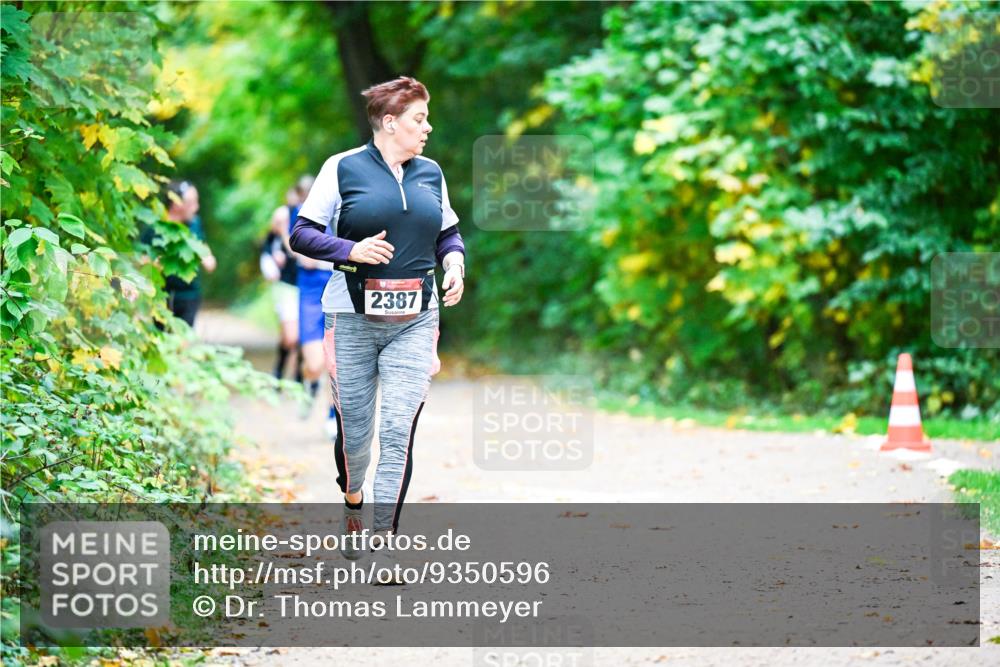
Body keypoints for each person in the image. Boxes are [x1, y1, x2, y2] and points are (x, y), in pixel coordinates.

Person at [289, 76, 465, 577]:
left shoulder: (431, 173)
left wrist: (454, 265)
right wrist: (351, 250)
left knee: (397, 431)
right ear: (390, 123)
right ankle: (352, 501)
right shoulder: (341, 169)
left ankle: (384, 543)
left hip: (415, 317)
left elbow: (448, 233)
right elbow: (302, 233)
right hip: (351, 317)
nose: (427, 128)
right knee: (357, 438)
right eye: (419, 119)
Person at [282, 175, 340, 439]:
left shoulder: (341, 210)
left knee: (335, 361)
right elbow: (301, 253)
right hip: (310, 291)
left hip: (337, 288)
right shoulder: (300, 214)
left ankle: (332, 416)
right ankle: (310, 383)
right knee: (315, 364)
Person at [144, 180, 216, 327]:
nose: (196, 208)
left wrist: (198, 253)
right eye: (192, 203)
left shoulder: (195, 224)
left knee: (183, 345)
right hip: (160, 297)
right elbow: (142, 261)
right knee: (162, 343)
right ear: (177, 204)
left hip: (189, 295)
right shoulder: (155, 226)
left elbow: (210, 262)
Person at [260, 187, 303, 384]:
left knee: (299, 336)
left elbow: (297, 251)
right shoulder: (274, 238)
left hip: (303, 285)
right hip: (285, 287)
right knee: (290, 337)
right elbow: (265, 256)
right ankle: (280, 370)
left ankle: (297, 376)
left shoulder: (301, 229)